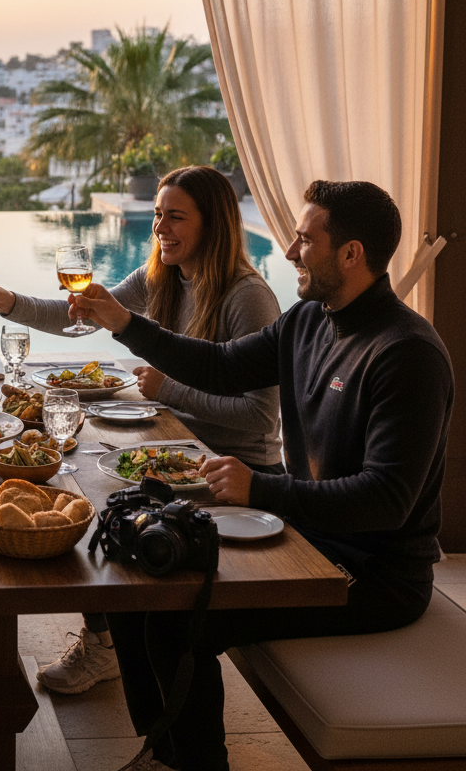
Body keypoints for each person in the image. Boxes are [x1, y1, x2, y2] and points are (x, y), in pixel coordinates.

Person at [68, 180, 452, 771]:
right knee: (134, 572)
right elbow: (221, 367)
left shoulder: (406, 353)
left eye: (305, 240)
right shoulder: (308, 319)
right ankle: (163, 749)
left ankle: (192, 764)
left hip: (375, 575)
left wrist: (261, 487)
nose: (292, 251)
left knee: (176, 617)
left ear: (351, 254)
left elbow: (387, 502)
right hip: (303, 538)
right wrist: (124, 323)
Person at [0, 165, 282, 695]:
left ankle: (109, 643)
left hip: (230, 471)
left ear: (216, 224)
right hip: (176, 454)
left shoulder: (246, 297)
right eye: (158, 214)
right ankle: (108, 640)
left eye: (175, 217)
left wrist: (168, 391)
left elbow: (261, 418)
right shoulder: (161, 275)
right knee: (74, 487)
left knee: (91, 508)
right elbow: (85, 314)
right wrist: (10, 304)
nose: (160, 228)